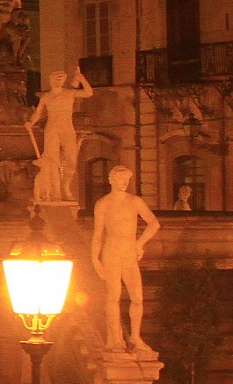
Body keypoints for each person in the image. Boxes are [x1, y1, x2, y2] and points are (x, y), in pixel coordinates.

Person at [90, 166, 161, 351]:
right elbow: (98, 234)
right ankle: (116, 339)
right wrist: (95, 260)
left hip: (129, 252)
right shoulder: (103, 203)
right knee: (114, 296)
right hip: (112, 252)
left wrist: (140, 243)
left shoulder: (134, 201)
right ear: (111, 180)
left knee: (137, 297)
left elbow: (154, 223)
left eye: (127, 180)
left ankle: (135, 337)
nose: (124, 183)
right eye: (121, 179)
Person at [26, 68, 92, 203]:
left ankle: (66, 186)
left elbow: (88, 93)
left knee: (72, 161)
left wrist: (82, 79)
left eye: (61, 78)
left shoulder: (70, 93)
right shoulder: (46, 97)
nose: (58, 80)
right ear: (50, 80)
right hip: (52, 130)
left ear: (64, 80)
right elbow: (38, 112)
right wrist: (31, 122)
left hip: (67, 129)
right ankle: (56, 192)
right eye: (56, 77)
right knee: (52, 162)